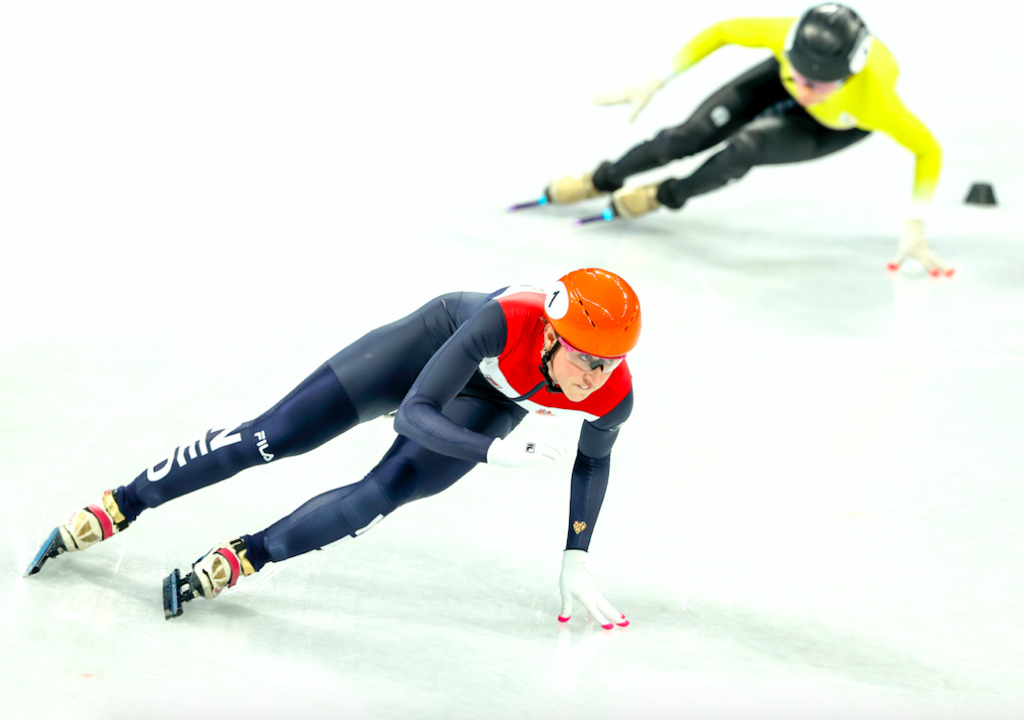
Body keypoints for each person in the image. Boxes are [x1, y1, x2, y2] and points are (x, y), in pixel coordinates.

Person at [26, 268, 640, 629]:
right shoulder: (507, 319)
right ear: (553, 335)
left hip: (490, 402)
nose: (597, 376)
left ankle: (245, 558)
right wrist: (490, 454)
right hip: (427, 349)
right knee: (274, 436)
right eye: (588, 359)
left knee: (383, 495)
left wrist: (576, 555)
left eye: (611, 362)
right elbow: (418, 415)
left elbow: (594, 460)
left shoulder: (612, 393)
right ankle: (123, 503)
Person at [537, 3, 951, 276]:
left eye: (819, 85)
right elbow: (721, 31)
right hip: (777, 78)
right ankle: (601, 179)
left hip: (834, 126)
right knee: (688, 135)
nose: (804, 92)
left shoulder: (875, 98)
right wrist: (657, 78)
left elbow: (928, 149)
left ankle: (663, 195)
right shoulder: (780, 35)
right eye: (800, 76)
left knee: (745, 149)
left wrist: (916, 222)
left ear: (850, 73)